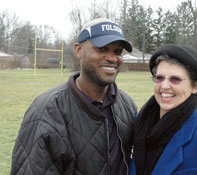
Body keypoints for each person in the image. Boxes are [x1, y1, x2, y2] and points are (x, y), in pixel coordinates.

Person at [11, 18, 137, 175]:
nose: (112, 58)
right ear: (79, 50)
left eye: (117, 52)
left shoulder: (127, 106)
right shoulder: (46, 110)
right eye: (102, 49)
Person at [129, 44, 197, 175]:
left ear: (194, 86)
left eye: (175, 79)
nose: (164, 86)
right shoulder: (139, 124)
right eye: (159, 78)